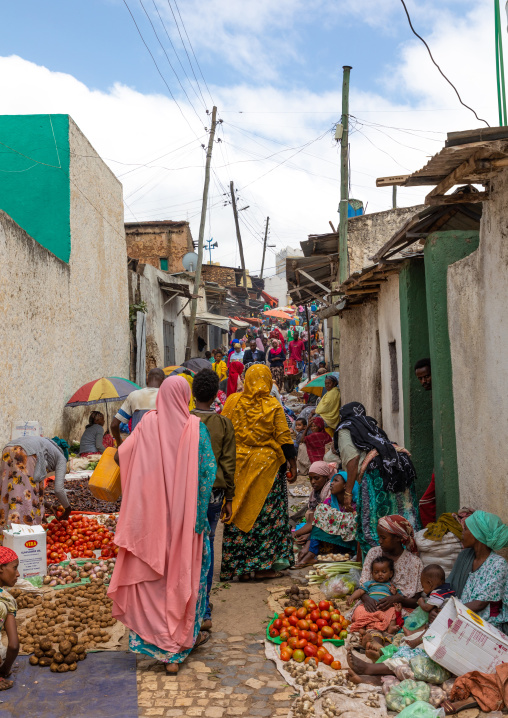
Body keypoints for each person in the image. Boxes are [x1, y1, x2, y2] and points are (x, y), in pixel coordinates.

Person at [108, 376, 217, 674]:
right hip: (186, 524)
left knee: (154, 585)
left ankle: (159, 648)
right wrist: (196, 517)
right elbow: (207, 474)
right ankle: (178, 647)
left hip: (152, 524)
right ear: (186, 397)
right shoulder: (197, 430)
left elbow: (121, 456)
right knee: (186, 579)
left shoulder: (146, 426)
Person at [220, 364, 297, 581]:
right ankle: (263, 567)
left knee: (237, 511)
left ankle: (240, 567)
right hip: (266, 468)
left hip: (237, 465)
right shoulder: (272, 405)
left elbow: (225, 431)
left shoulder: (233, 401)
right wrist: (292, 465)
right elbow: (284, 438)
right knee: (264, 517)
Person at [336, 402, 420, 554]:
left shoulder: (345, 429)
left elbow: (352, 460)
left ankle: (378, 566)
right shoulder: (370, 425)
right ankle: (408, 560)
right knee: (403, 518)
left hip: (377, 474)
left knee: (374, 524)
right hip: (399, 468)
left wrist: (348, 492)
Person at [191, 370, 236, 633]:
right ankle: (204, 608)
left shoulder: (184, 422)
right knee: (207, 546)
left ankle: (190, 606)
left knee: (187, 549)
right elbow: (229, 463)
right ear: (215, 394)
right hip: (214, 493)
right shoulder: (223, 424)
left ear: (193, 394)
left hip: (186, 493)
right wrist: (230, 498)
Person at [347, 515, 423, 634]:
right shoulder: (374, 553)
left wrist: (398, 599)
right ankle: (372, 632)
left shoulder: (414, 562)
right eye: (379, 537)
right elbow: (362, 587)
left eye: (383, 538)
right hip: (370, 606)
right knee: (360, 614)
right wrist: (366, 598)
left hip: (397, 610)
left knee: (401, 620)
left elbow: (417, 601)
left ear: (398, 538)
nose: (380, 541)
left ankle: (377, 632)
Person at [448, 510, 508, 632]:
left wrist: (448, 612)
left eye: (465, 529)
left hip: (484, 627)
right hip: (462, 617)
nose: (462, 534)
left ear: (477, 534)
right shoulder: (465, 557)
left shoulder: (498, 564)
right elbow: (450, 586)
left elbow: (480, 604)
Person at [0, 436, 70, 526]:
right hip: (25, 453)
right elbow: (59, 490)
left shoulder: (46, 446)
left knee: (7, 489)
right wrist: (68, 509)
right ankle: (23, 531)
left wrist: (46, 505)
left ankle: (5, 532)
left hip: (7, 450)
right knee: (25, 495)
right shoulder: (62, 459)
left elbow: (36, 491)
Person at [112, 368, 166, 445]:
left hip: (137, 447)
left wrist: (119, 443)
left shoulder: (134, 395)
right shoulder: (167, 396)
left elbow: (114, 424)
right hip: (160, 447)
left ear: (146, 380)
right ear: (164, 382)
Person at [0, 548, 19, 691]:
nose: (18, 574)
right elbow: (14, 646)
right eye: (15, 568)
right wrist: (5, 669)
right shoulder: (6, 601)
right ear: (1, 568)